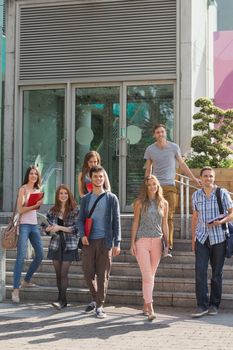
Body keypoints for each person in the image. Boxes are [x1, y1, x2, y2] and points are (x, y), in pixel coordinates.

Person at [144, 123, 200, 256]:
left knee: (169, 217)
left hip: (170, 186)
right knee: (155, 216)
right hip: (156, 187)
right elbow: (148, 169)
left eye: (162, 132)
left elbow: (182, 164)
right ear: (154, 135)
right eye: (157, 132)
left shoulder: (174, 147)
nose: (160, 134)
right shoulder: (150, 149)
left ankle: (167, 247)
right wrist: (146, 185)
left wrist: (193, 178)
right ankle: (156, 244)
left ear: (166, 133)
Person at [77, 165, 121, 318]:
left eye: (101, 176)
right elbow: (80, 220)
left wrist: (118, 243)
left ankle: (100, 306)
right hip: (89, 241)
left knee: (103, 275)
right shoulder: (86, 199)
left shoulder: (111, 198)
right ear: (91, 178)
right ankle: (95, 298)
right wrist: (82, 234)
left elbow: (116, 221)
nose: (98, 179)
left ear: (104, 178)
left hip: (106, 241)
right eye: (95, 176)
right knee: (88, 273)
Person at [191, 167, 233, 318]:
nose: (208, 179)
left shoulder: (222, 193)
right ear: (200, 178)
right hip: (202, 237)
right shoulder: (196, 195)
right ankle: (201, 305)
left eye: (211, 176)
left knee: (216, 274)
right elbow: (195, 217)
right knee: (200, 272)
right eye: (205, 176)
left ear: (214, 178)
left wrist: (220, 221)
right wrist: (193, 238)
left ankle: (214, 305)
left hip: (219, 238)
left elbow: (231, 212)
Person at [130, 175, 169, 320]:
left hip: (158, 242)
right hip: (142, 241)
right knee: (147, 276)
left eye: (154, 184)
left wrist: (167, 243)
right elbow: (135, 223)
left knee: (150, 277)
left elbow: (165, 224)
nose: (152, 187)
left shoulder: (163, 203)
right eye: (149, 185)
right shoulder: (140, 203)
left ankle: (145, 305)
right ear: (145, 188)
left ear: (158, 185)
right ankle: (151, 308)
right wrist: (132, 243)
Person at [12, 165, 44, 303]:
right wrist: (35, 205)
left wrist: (38, 205)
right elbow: (20, 209)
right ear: (28, 175)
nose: (33, 176)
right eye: (31, 173)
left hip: (34, 225)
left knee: (41, 254)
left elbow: (34, 210)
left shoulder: (38, 190)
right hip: (24, 225)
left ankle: (26, 280)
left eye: (35, 174)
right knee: (21, 257)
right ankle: (15, 291)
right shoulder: (23, 189)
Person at [44, 185, 79, 310]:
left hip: (69, 245)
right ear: (57, 196)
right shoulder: (52, 211)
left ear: (69, 195)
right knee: (58, 274)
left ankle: (62, 301)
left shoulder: (75, 210)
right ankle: (61, 299)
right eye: (61, 193)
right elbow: (44, 227)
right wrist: (47, 229)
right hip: (56, 245)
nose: (63, 195)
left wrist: (59, 228)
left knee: (64, 273)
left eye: (65, 193)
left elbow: (76, 229)